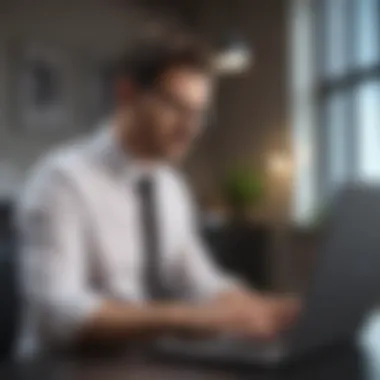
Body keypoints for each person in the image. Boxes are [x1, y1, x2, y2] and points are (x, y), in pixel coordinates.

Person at [16, 39, 299, 357]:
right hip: (64, 368)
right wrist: (182, 317)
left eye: (199, 114)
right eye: (175, 107)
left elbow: (198, 278)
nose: (190, 128)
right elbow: (58, 312)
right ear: (127, 94)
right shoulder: (61, 180)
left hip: (144, 362)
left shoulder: (171, 186)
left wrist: (260, 308)